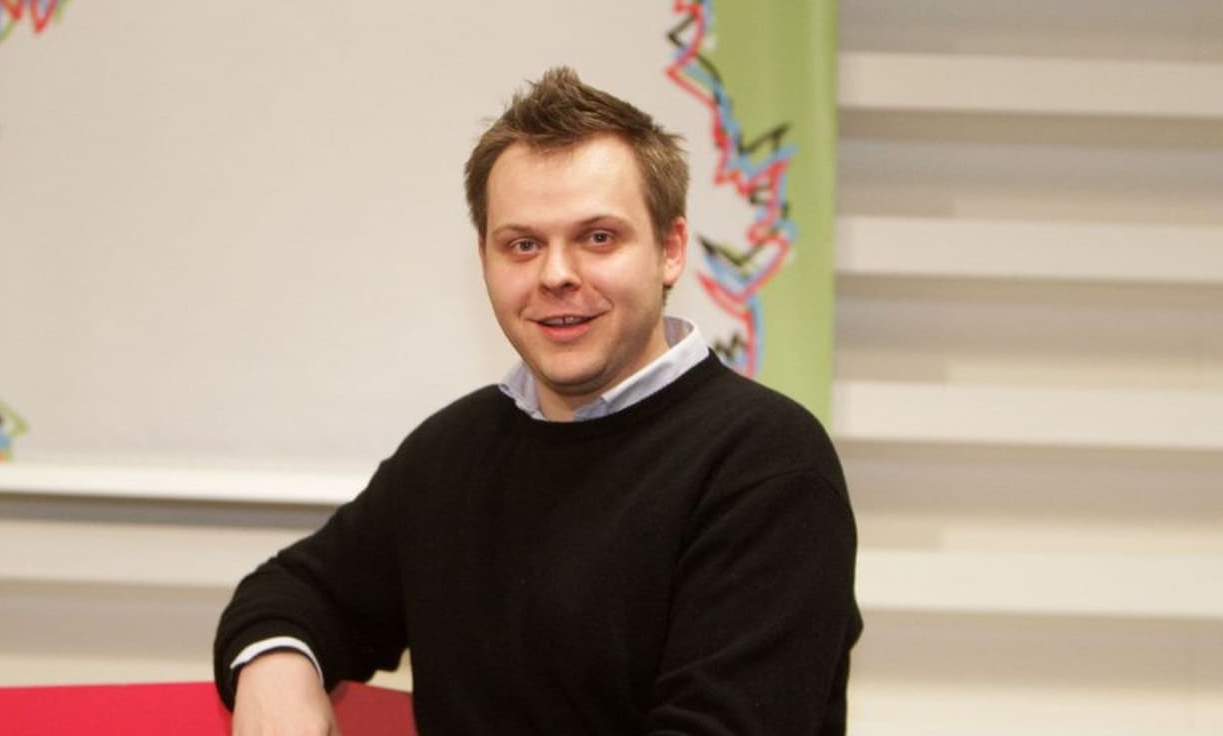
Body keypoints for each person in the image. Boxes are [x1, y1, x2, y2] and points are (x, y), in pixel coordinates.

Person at [213, 67, 861, 735]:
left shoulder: (767, 466)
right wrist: (277, 669)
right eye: (523, 244)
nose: (555, 275)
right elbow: (293, 593)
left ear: (669, 250)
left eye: (598, 238)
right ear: (486, 259)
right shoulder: (449, 456)